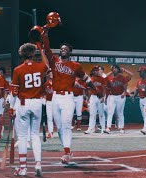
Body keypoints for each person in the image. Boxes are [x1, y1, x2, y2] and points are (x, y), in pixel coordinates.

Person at [42, 28, 96, 164]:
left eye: (65, 49)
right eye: (61, 48)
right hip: (55, 97)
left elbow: (86, 79)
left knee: (66, 124)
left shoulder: (75, 65)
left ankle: (66, 152)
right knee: (59, 127)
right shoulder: (54, 61)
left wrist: (95, 90)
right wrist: (45, 35)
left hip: (68, 97)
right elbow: (47, 50)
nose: (63, 50)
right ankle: (67, 150)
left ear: (70, 52)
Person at [9, 43, 48, 176]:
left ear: (22, 54)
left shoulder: (18, 69)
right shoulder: (40, 66)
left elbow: (14, 92)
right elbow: (47, 64)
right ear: (33, 54)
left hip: (24, 104)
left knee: (23, 136)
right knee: (35, 135)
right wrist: (41, 51)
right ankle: (38, 163)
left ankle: (23, 168)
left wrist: (11, 108)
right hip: (37, 103)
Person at [104, 64, 133, 134]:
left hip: (120, 96)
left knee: (120, 112)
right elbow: (104, 78)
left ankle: (121, 128)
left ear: (118, 69)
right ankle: (108, 128)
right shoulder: (109, 78)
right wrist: (106, 98)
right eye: (113, 69)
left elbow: (126, 85)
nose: (114, 70)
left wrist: (124, 93)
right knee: (110, 112)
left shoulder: (122, 77)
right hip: (112, 96)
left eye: (115, 68)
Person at [132, 66, 146, 135]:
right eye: (139, 72)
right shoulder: (139, 81)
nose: (139, 73)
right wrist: (134, 96)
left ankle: (145, 128)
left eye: (141, 72)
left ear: (145, 72)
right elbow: (136, 90)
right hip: (141, 98)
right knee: (144, 115)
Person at [84, 66, 107, 134]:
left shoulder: (102, 79)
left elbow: (104, 88)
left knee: (101, 113)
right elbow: (88, 90)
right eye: (95, 70)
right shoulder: (90, 79)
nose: (97, 71)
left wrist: (103, 97)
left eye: (97, 70)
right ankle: (91, 128)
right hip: (93, 97)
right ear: (93, 72)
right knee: (92, 114)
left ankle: (103, 128)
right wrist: (88, 99)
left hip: (99, 97)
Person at [43, 69, 54, 138]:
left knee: (58, 118)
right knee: (49, 118)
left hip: (56, 101)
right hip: (49, 102)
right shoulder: (45, 84)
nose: (51, 74)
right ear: (47, 75)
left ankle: (62, 131)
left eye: (52, 73)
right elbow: (44, 94)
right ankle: (50, 132)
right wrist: (44, 100)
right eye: (49, 73)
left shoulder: (57, 82)